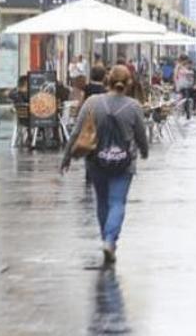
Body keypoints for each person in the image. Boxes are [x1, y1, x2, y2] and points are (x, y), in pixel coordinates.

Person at [62, 65, 149, 264]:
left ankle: (105, 238)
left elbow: (76, 132)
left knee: (102, 201)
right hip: (124, 163)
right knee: (117, 202)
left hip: (96, 161)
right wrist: (144, 151)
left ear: (107, 81)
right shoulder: (134, 106)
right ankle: (110, 241)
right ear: (128, 84)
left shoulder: (92, 102)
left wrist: (67, 157)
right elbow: (141, 135)